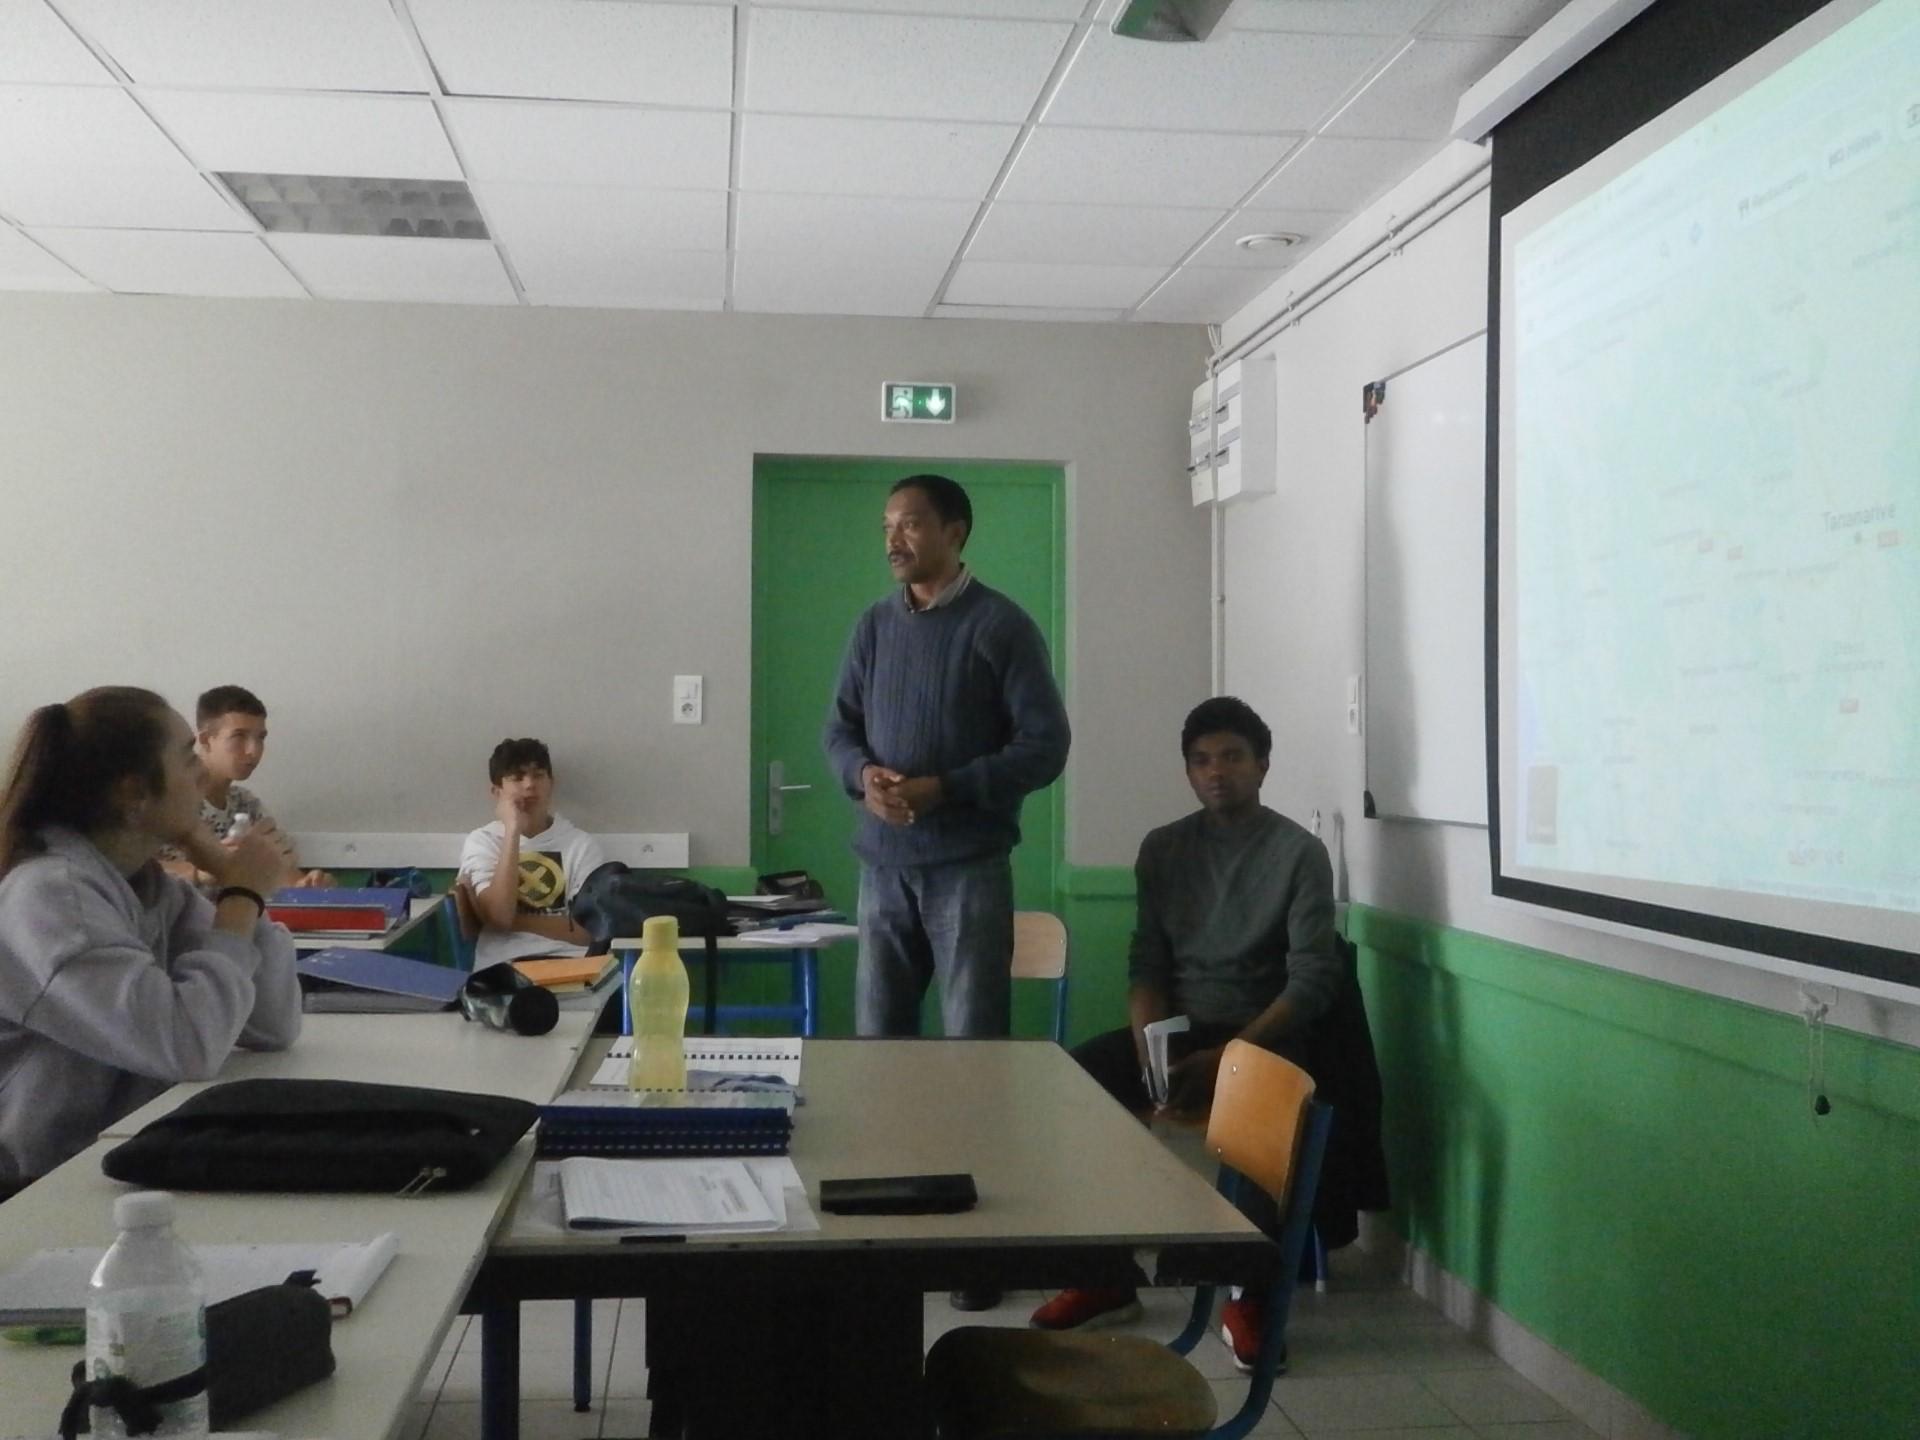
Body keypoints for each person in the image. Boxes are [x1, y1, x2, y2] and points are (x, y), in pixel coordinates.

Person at [1029, 696, 1388, 1368]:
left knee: (1258, 1103)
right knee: (1073, 1085)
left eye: (1231, 757)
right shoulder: (1163, 848)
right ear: (1188, 772)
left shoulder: (1298, 853)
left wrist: (1232, 1054)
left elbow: (1313, 981)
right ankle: (1105, 1274)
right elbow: (1147, 963)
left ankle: (1249, 1297)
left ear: (1262, 765)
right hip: (1182, 1029)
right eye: (1201, 761)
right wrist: (1149, 1046)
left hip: (1266, 1033)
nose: (1216, 771)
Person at [0, 687, 304, 1197]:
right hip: (32, 1189)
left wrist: (230, 876)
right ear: (133, 794)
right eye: (187, 758)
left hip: (117, 1161)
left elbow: (273, 1024)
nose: (201, 775)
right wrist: (241, 895)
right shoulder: (50, 897)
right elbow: (189, 1045)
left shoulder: (151, 887)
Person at [822, 473, 1071, 1044]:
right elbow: (838, 729)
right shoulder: (874, 626)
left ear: (954, 533)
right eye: (886, 527)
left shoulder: (1002, 626)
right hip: (882, 869)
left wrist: (946, 788)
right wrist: (863, 775)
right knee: (879, 1045)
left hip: (969, 871)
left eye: (909, 525)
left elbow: (1046, 745)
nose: (893, 541)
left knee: (973, 1045)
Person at [455, 738, 608, 970]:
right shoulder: (483, 842)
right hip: (503, 966)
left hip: (573, 963)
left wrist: (512, 920)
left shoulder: (581, 845)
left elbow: (587, 932)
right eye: (517, 778)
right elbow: (499, 915)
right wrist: (513, 831)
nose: (529, 785)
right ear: (497, 791)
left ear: (551, 783)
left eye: (538, 775)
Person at [159, 685, 332, 888]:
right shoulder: (170, 797)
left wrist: (309, 886)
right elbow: (133, 867)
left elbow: (282, 873)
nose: (253, 750)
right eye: (239, 736)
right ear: (206, 740)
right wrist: (209, 871)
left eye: (260, 738)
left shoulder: (246, 804)